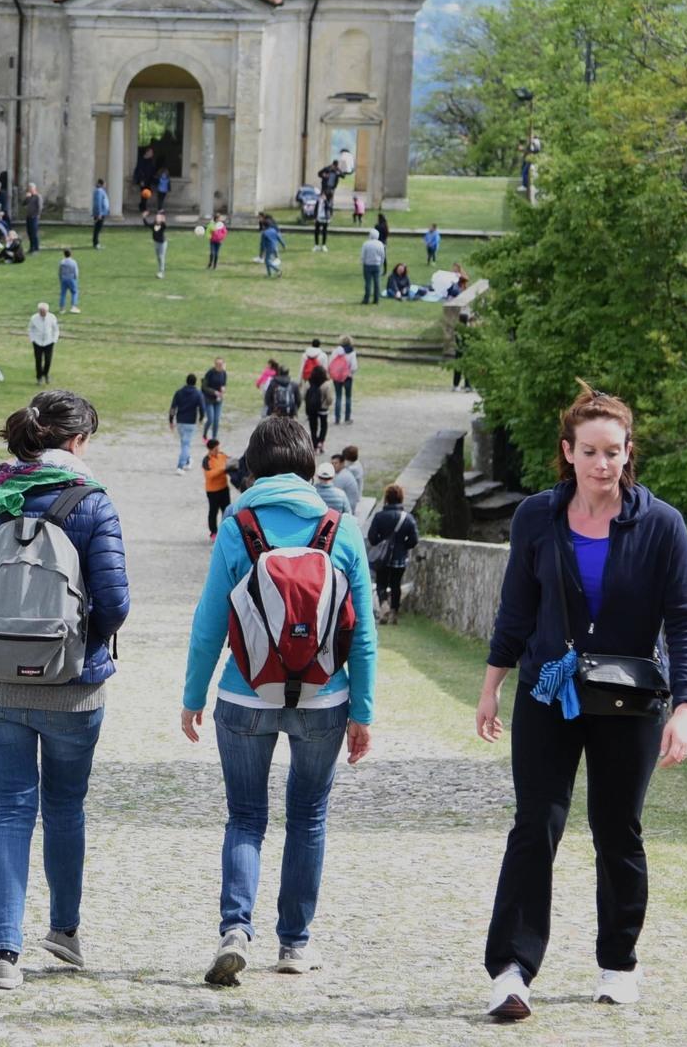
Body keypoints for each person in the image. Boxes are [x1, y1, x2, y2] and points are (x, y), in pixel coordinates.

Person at [477, 383, 687, 1022]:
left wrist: (686, 705)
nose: (603, 464)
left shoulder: (662, 525)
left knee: (617, 830)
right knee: (536, 826)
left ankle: (618, 964)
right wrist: (493, 682)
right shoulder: (536, 518)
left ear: (628, 451)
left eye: (614, 451)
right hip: (550, 693)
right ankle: (512, 971)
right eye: (590, 451)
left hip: (632, 705)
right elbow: (516, 609)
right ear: (568, 453)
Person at [0, 390, 130, 990]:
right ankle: (64, 931)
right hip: (73, 689)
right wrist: (70, 647)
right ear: (75, 442)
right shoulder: (93, 503)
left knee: (11, 807)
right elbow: (116, 603)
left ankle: (3, 953)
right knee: (65, 806)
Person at [180, 415, 375, 985]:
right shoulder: (342, 528)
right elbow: (361, 632)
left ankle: (235, 929)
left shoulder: (238, 527)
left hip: (245, 695)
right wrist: (361, 710)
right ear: (309, 467)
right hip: (324, 698)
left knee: (245, 816)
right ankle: (294, 944)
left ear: (255, 467)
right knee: (309, 818)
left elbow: (210, 621)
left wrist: (193, 696)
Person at [368, 484, 419, 625]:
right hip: (399, 558)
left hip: (382, 558)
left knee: (381, 583)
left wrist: (382, 543)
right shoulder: (408, 518)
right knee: (396, 584)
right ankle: (394, 612)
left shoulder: (379, 517)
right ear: (401, 498)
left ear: (387, 499)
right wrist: (403, 546)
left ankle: (384, 605)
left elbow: (372, 537)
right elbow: (414, 540)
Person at [170, 373, 207, 474]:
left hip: (180, 421)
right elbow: (202, 408)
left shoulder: (179, 392)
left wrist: (171, 420)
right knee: (186, 444)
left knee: (184, 443)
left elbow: (173, 408)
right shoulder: (198, 394)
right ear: (195, 382)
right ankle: (180, 466)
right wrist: (201, 419)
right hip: (190, 422)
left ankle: (187, 460)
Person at [202, 438, 231, 541]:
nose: (218, 450)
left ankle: (226, 531)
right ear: (210, 450)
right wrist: (222, 468)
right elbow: (209, 475)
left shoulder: (222, 455)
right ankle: (213, 532)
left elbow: (231, 463)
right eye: (215, 449)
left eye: (218, 447)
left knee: (227, 511)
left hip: (224, 488)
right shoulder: (206, 460)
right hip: (212, 491)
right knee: (213, 512)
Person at [27, 302, 59, 384]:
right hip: (37, 342)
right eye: (41, 311)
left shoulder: (52, 317)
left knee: (48, 360)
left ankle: (46, 374)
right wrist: (32, 339)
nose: (42, 313)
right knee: (38, 360)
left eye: (44, 311)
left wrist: (54, 340)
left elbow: (55, 329)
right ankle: (39, 377)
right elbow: (30, 329)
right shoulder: (34, 318)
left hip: (49, 342)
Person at [304, 365, 334, 451]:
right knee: (323, 425)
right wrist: (327, 404)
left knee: (313, 427)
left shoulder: (308, 383)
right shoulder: (326, 384)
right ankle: (321, 441)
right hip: (323, 408)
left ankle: (314, 443)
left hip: (312, 408)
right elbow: (329, 398)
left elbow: (304, 395)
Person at [328, 337, 357, 425]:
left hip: (337, 377)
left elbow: (330, 363)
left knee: (338, 397)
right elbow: (354, 367)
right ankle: (347, 418)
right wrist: (350, 373)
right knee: (348, 397)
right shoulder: (352, 352)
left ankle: (337, 418)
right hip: (348, 377)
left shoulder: (335, 351)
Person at [201, 357, 227, 439]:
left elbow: (223, 384)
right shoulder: (210, 373)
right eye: (217, 364)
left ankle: (214, 438)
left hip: (218, 400)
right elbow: (203, 387)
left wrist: (223, 389)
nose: (219, 366)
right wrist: (214, 392)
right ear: (215, 364)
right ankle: (204, 434)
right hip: (209, 399)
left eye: (221, 364)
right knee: (211, 419)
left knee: (216, 420)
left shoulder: (224, 373)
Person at [360, 229, 385, 304]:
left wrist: (363, 262)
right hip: (376, 265)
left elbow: (363, 255)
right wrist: (381, 263)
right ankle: (376, 299)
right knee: (377, 283)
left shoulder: (366, 244)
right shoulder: (380, 244)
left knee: (368, 283)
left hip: (367, 265)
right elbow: (382, 255)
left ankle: (366, 299)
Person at [142, 208, 169, 278]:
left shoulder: (162, 226)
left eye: (159, 218)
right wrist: (144, 217)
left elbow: (165, 226)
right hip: (156, 243)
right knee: (158, 257)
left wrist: (163, 220)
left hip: (162, 244)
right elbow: (146, 224)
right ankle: (160, 270)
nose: (157, 218)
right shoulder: (153, 225)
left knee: (161, 257)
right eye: (157, 217)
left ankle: (161, 273)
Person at [453, 309, 473, 391]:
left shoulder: (457, 328)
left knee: (458, 368)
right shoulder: (467, 329)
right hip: (466, 349)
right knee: (467, 368)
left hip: (458, 349)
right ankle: (468, 385)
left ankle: (455, 385)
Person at [58, 248, 81, 313]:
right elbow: (76, 271)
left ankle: (62, 308)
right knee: (74, 292)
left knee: (63, 293)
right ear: (71, 254)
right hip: (71, 279)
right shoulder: (73, 262)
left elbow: (60, 272)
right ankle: (73, 307)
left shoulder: (62, 262)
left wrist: (60, 279)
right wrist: (76, 278)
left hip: (64, 279)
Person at [23, 183, 42, 254]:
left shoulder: (38, 196)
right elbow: (24, 204)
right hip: (28, 217)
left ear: (34, 189)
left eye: (31, 188)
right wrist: (27, 198)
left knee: (34, 233)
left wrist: (37, 215)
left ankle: (36, 248)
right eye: (29, 188)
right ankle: (31, 248)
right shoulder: (30, 196)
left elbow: (40, 207)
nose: (30, 190)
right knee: (29, 233)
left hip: (34, 217)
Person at [91, 179, 110, 249]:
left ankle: (96, 243)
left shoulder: (100, 191)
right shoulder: (99, 191)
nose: (104, 186)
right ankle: (96, 243)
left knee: (98, 228)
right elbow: (98, 203)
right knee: (97, 229)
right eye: (104, 184)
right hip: (100, 214)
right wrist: (99, 214)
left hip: (101, 213)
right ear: (100, 184)